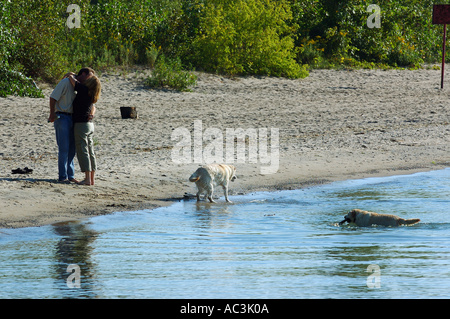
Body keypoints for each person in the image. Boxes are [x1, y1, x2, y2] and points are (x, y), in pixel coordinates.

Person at [49, 67, 95, 183]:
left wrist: (91, 113)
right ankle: (63, 176)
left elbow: (92, 104)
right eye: (89, 77)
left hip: (74, 118)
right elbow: (53, 97)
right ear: (83, 74)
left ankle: (70, 175)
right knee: (64, 148)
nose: (90, 80)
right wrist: (52, 114)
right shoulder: (65, 82)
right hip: (62, 116)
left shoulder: (81, 86)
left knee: (72, 149)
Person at [66, 73, 101, 186]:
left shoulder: (84, 90)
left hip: (81, 124)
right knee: (90, 152)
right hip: (89, 125)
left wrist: (71, 75)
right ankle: (91, 179)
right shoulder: (92, 94)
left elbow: (74, 82)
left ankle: (87, 179)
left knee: (83, 151)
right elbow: (93, 107)